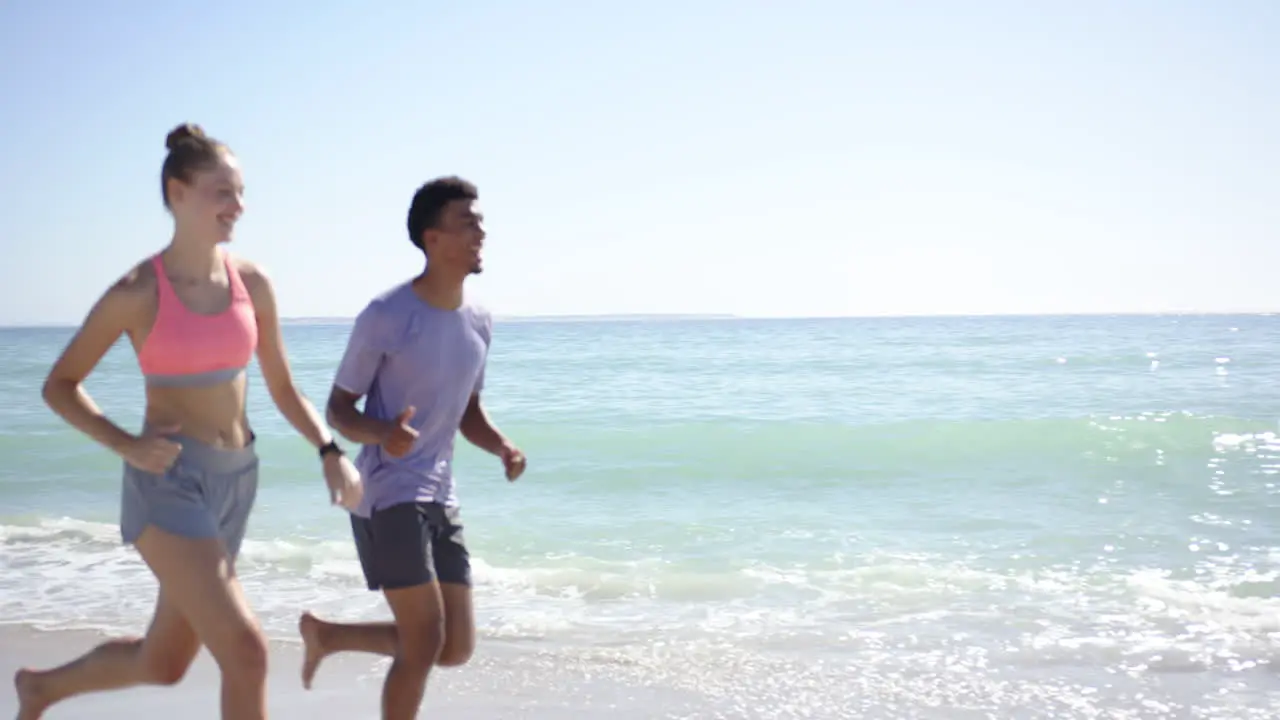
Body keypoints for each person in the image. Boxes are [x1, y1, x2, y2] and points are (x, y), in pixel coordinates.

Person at [13, 123, 364, 720]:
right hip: (169, 484)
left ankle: (41, 690)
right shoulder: (137, 292)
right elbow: (60, 386)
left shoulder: (252, 284)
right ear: (177, 193)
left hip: (236, 480)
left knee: (164, 662)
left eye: (241, 192)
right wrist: (124, 443)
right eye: (221, 192)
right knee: (246, 652)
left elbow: (281, 386)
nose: (238, 206)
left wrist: (330, 451)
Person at [295, 176, 526, 719]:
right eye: (467, 223)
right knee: (423, 641)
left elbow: (468, 413)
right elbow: (338, 410)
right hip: (387, 492)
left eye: (480, 221)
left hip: (441, 494)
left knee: (454, 646)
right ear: (432, 238)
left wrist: (501, 446)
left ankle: (327, 637)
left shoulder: (479, 321)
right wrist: (383, 434)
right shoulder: (386, 315)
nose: (480, 232)